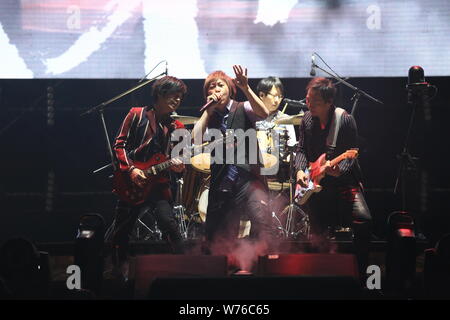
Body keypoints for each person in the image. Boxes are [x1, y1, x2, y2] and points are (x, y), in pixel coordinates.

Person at [108, 76, 187, 280]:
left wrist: (179, 167)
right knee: (121, 231)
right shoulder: (136, 115)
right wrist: (131, 170)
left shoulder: (177, 127)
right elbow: (119, 145)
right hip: (132, 181)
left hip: (158, 185)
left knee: (169, 225)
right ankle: (118, 272)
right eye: (173, 95)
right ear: (160, 94)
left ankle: (182, 270)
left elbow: (180, 163)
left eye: (180, 97)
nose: (177, 100)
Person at [294, 77, 372, 275]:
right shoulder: (307, 119)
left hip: (344, 183)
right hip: (316, 185)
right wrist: (300, 170)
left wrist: (339, 169)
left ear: (329, 103)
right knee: (317, 234)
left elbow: (351, 153)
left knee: (363, 222)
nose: (309, 104)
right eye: (308, 99)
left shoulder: (344, 119)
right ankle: (321, 276)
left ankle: (361, 275)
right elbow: (302, 149)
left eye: (315, 102)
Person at [192, 65, 272, 257]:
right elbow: (194, 139)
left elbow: (264, 113)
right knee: (220, 236)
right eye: (210, 87)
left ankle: (263, 266)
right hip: (222, 182)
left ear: (230, 88)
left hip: (249, 178)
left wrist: (246, 88)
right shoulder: (209, 116)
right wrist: (207, 111)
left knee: (261, 222)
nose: (215, 90)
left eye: (219, 85)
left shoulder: (241, 107)